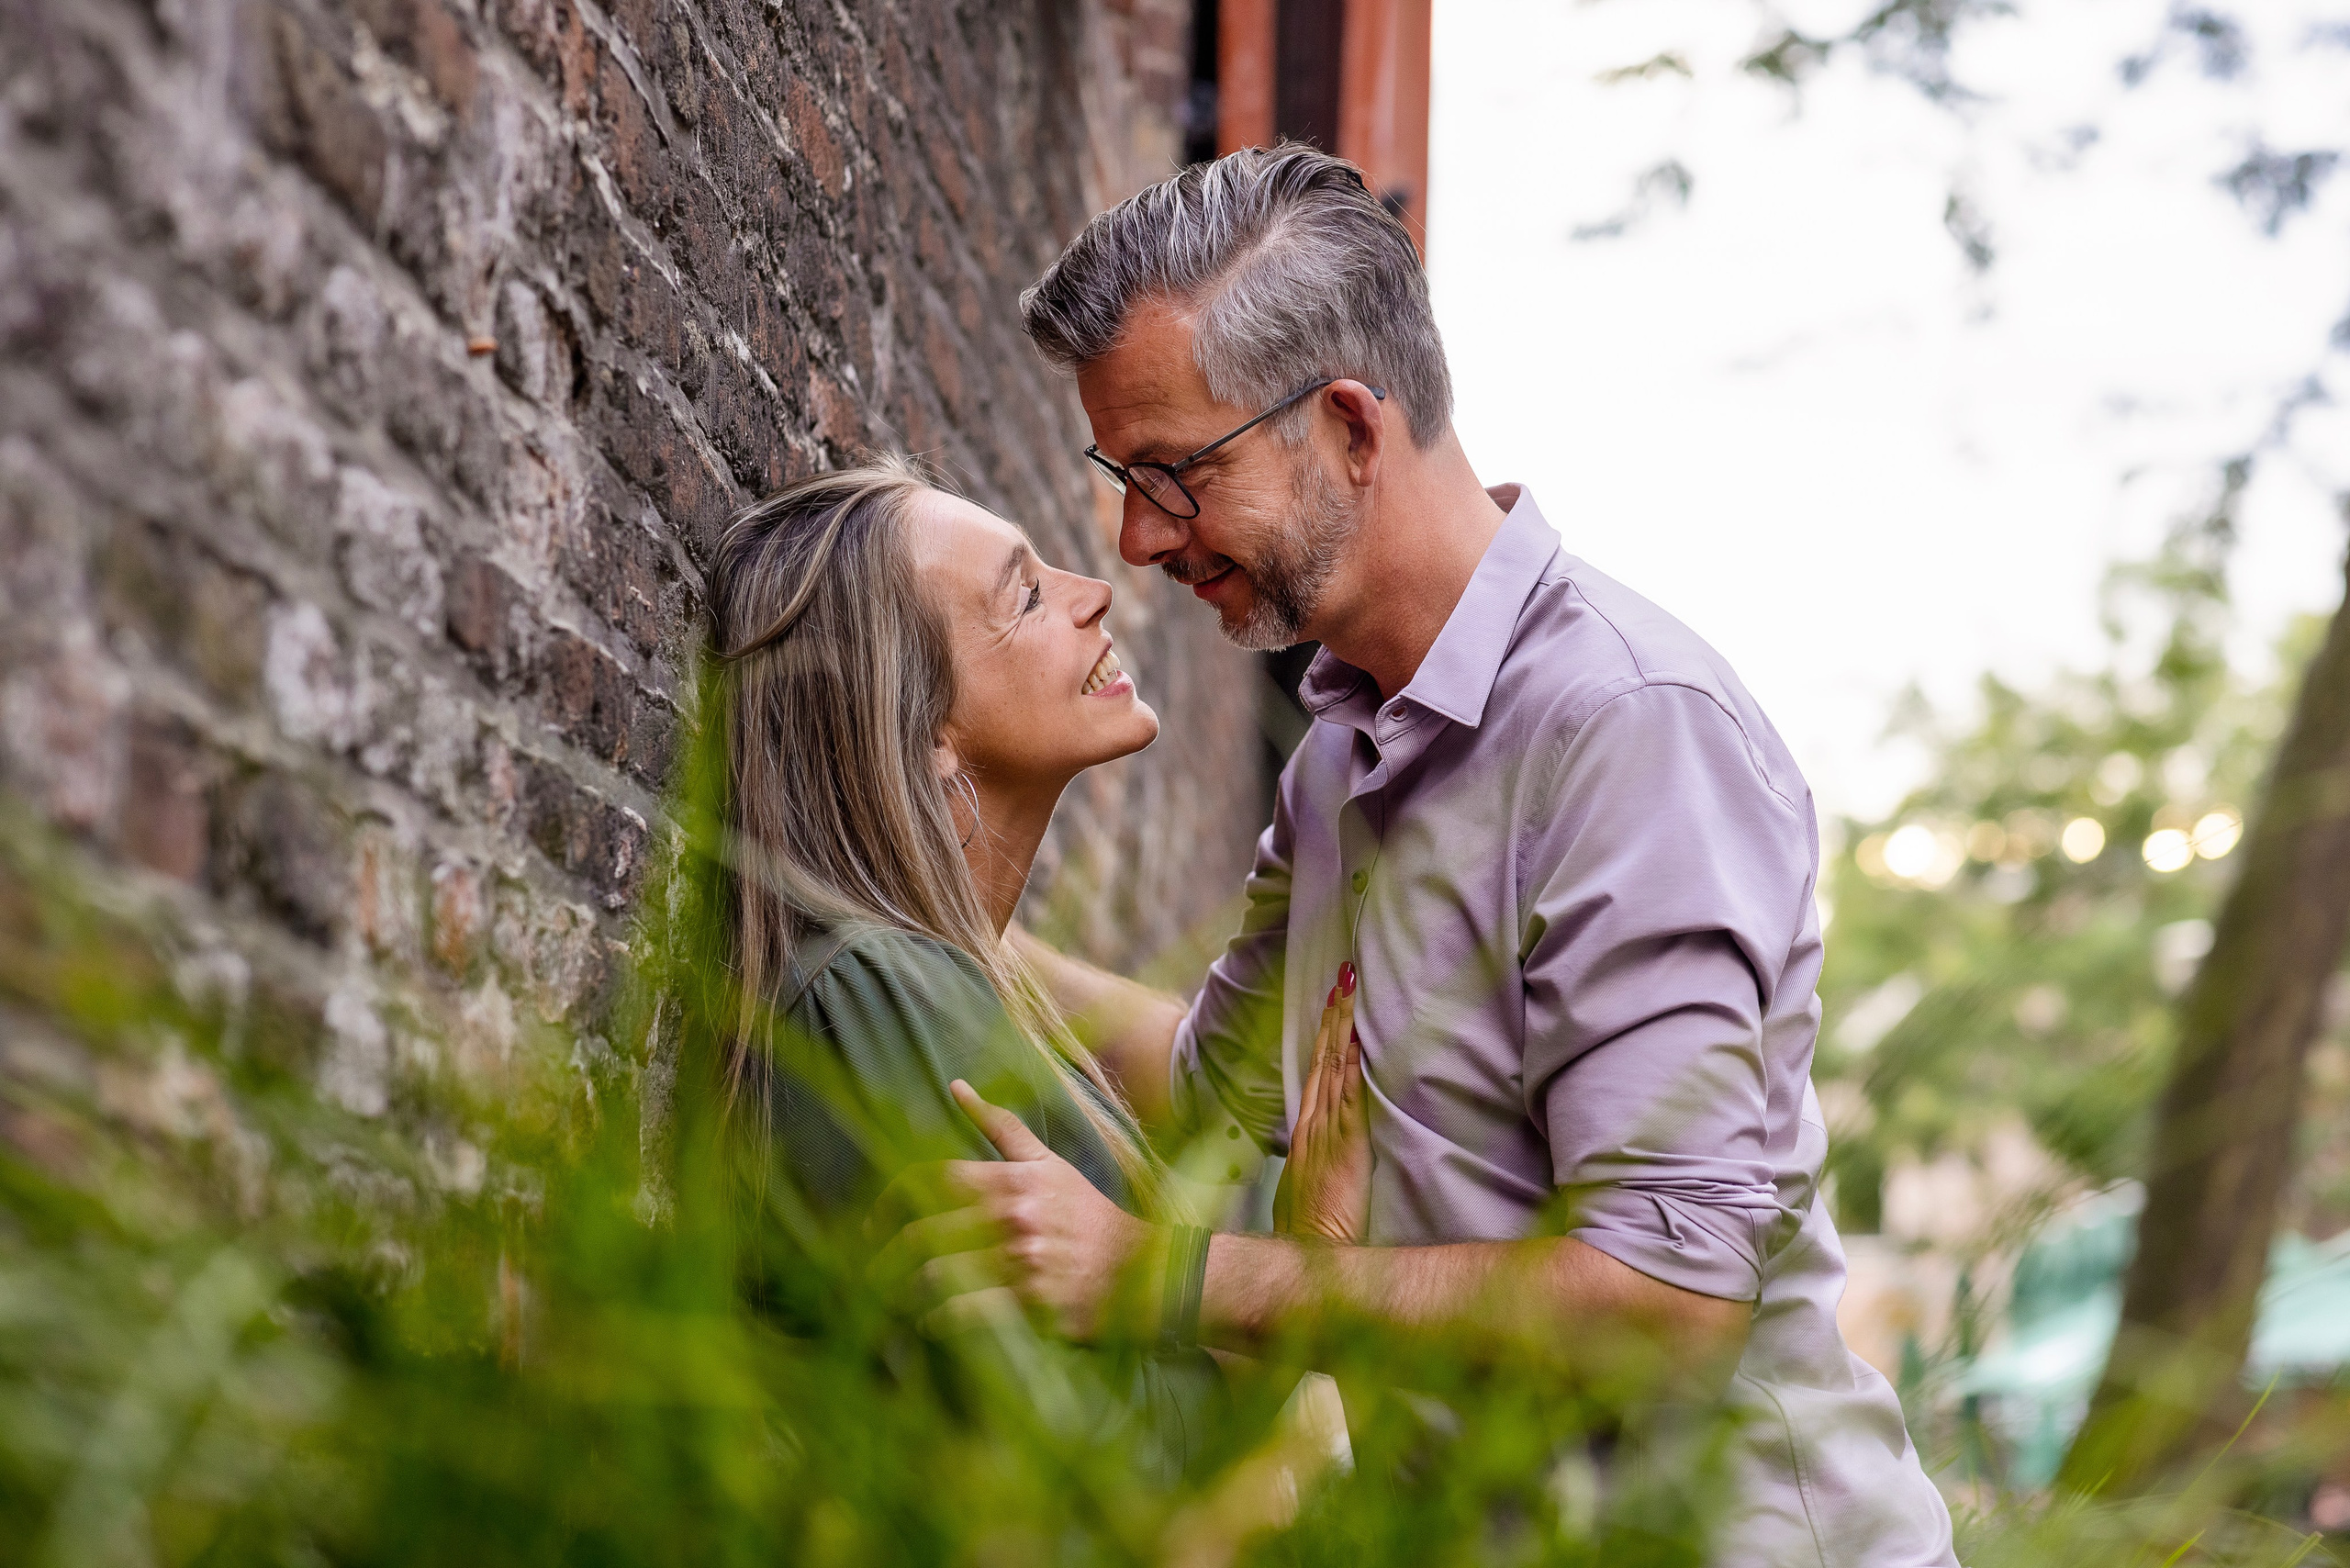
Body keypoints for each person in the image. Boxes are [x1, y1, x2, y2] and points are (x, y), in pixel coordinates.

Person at [878, 143, 1962, 1565]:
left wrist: (1168, 1279)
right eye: (1120, 477)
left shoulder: (1629, 732)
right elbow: (1212, 1082)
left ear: (1344, 428)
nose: (1140, 538)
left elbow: (1667, 1302)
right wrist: (920, 911)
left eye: (1173, 473)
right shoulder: (1344, 747)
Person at [697, 457, 1239, 1478]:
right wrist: (1306, 1279)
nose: (1096, 595)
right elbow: (1083, 1472)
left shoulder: (952, 981)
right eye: (1026, 593)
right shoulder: (879, 994)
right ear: (930, 732)